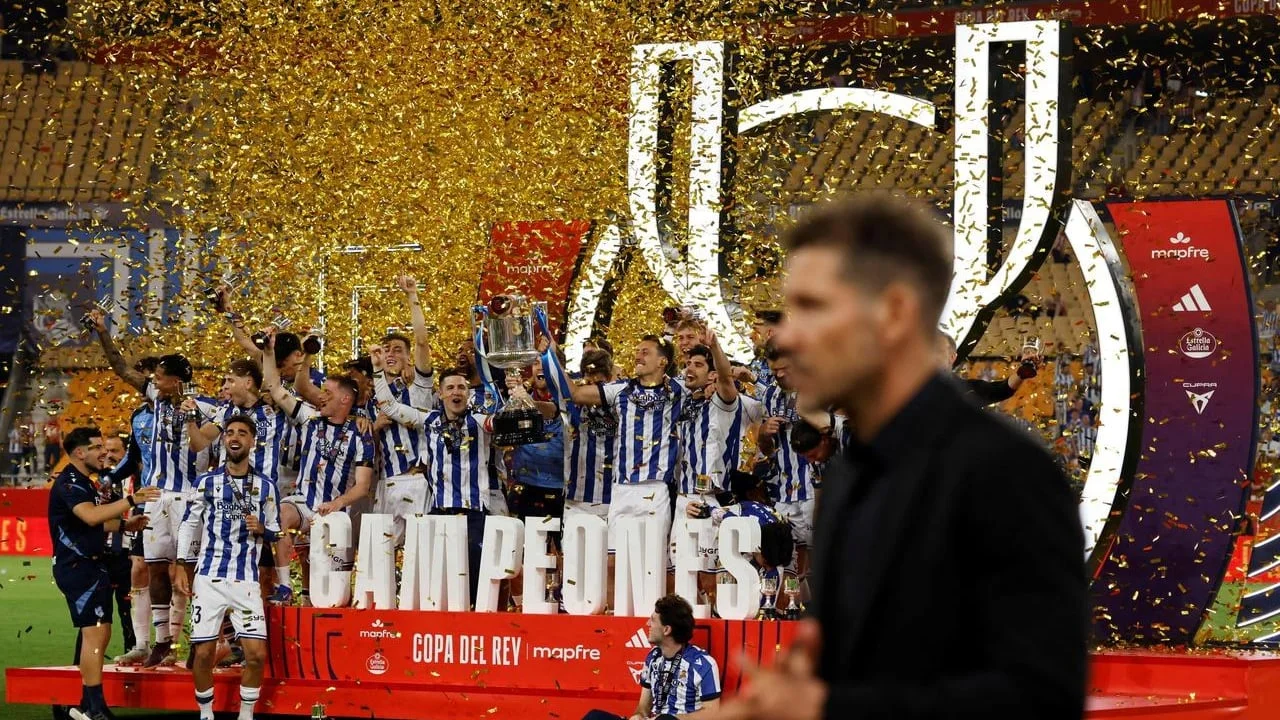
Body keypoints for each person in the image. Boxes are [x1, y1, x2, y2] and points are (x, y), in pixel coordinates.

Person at [708, 194, 1086, 719]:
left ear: (894, 312)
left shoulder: (1005, 473)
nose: (788, 337)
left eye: (814, 308)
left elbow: (1042, 698)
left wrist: (827, 707)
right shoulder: (849, 474)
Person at [93, 309, 215, 667]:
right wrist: (102, 332)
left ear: (175, 381)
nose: (153, 381)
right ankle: (162, 642)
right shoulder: (153, 401)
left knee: (191, 572)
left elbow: (214, 441)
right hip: (155, 498)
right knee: (156, 567)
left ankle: (204, 639)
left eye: (160, 377)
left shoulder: (207, 408)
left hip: (190, 499)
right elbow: (121, 369)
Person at [48, 426, 160, 720]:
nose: (103, 453)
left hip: (91, 563)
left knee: (100, 633)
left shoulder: (85, 482)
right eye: (97, 447)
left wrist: (125, 525)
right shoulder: (71, 483)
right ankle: (94, 708)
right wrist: (132, 500)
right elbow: (90, 516)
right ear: (79, 452)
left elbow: (93, 523)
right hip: (78, 566)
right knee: (95, 635)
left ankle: (84, 705)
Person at [371, 348, 494, 605]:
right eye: (450, 388)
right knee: (436, 577)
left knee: (473, 577)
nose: (456, 392)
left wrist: (518, 395)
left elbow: (503, 422)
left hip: (473, 512)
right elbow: (390, 407)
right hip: (440, 511)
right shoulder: (429, 420)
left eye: (461, 387)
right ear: (441, 394)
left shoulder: (480, 421)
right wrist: (377, 371)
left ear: (468, 394)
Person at [176, 416, 279, 720]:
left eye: (242, 433)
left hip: (246, 582)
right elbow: (189, 524)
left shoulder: (266, 486)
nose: (235, 437)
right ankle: (206, 714)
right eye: (230, 432)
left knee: (256, 656)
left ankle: (245, 715)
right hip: (209, 579)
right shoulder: (206, 483)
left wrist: (263, 529)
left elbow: (277, 531)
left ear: (252, 442)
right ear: (224, 440)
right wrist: (181, 564)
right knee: (204, 653)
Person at [263, 333, 374, 605]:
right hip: (304, 502)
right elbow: (275, 388)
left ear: (345, 400)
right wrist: (267, 351)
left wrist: (337, 503)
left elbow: (363, 486)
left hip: (337, 513)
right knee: (280, 515)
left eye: (328, 394)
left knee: (332, 590)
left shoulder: (361, 435)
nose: (320, 397)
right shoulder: (309, 420)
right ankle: (285, 586)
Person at [581, 594, 721, 720]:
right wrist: (638, 715)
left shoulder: (703, 663)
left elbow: (712, 713)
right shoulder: (653, 657)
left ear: (666, 629)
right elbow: (643, 707)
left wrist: (673, 718)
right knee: (594, 717)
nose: (647, 624)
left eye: (653, 620)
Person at [937, 332, 1040, 406]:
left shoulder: (966, 390)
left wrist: (1024, 370)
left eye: (938, 351)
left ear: (952, 357)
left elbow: (1001, 390)